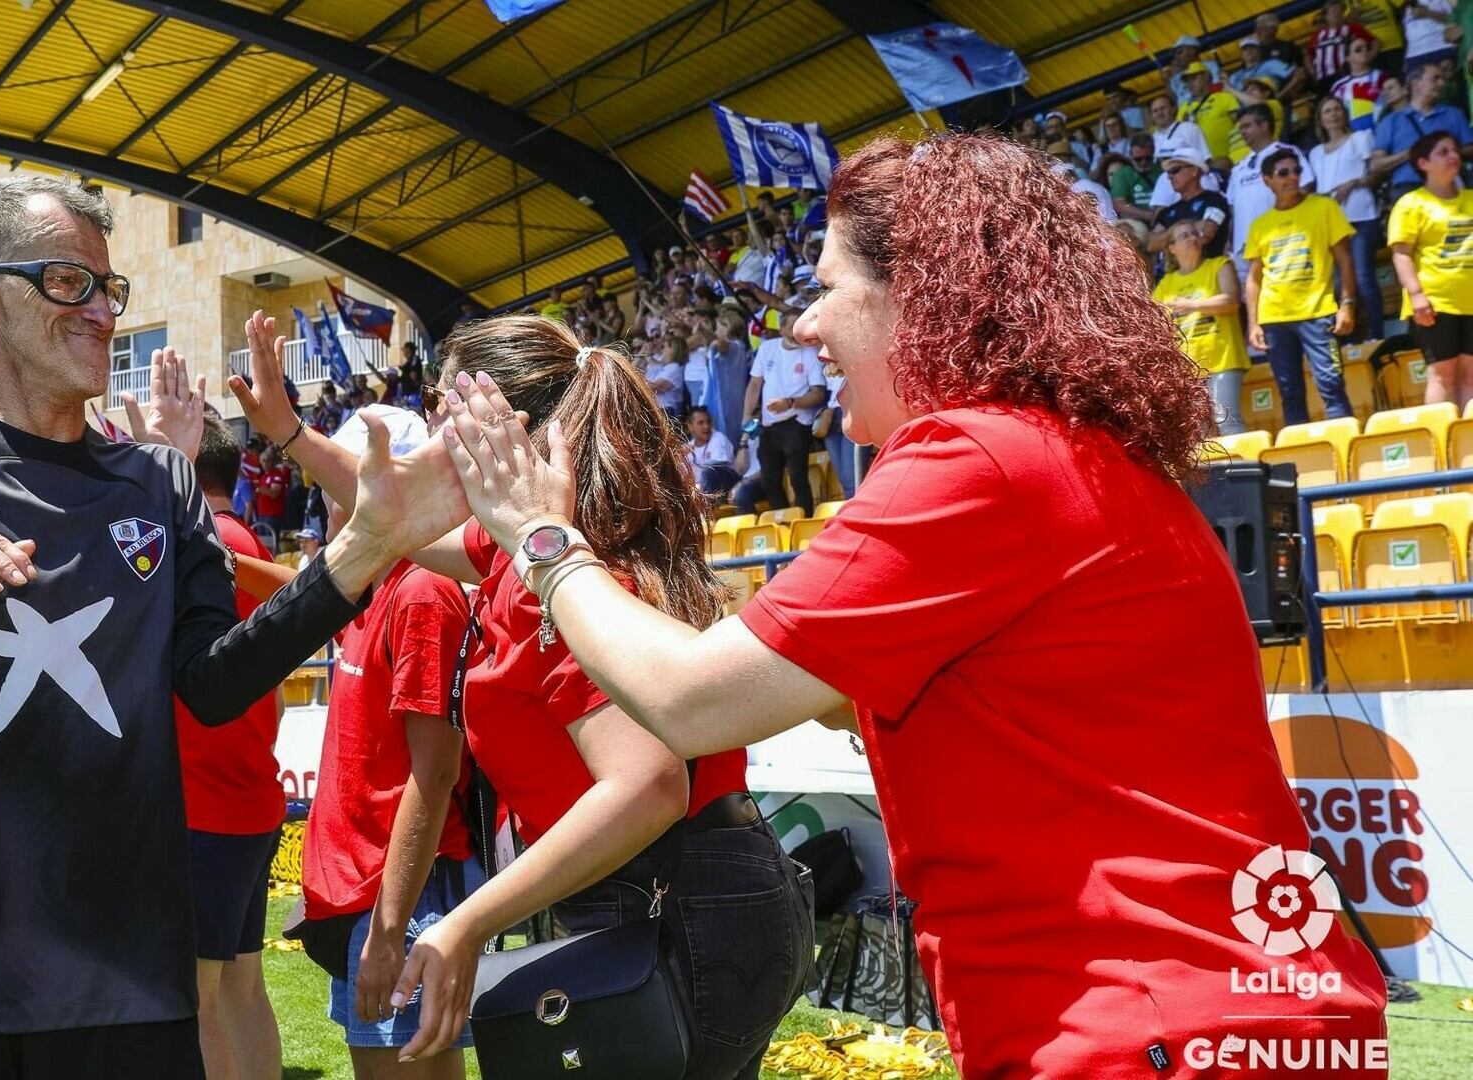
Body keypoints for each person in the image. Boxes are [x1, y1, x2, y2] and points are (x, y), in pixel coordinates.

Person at [436, 131, 1389, 1080]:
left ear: (921, 296)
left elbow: (692, 700)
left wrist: (544, 540)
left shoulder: (973, 459)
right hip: (1217, 1013)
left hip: (1148, 1025)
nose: (802, 328)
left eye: (827, 286)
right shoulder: (1080, 456)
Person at [0, 175, 460, 1077]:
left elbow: (213, 683)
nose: (101, 312)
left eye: (108, 287)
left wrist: (363, 548)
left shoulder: (155, 482)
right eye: (68, 282)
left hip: (127, 987)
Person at [232, 311, 814, 1078]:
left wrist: (467, 922)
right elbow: (398, 521)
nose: (433, 431)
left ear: (495, 426)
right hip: (697, 896)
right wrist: (292, 436)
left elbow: (648, 785)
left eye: (444, 409)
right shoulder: (538, 552)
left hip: (672, 904)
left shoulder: (552, 581)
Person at [299, 408, 476, 1080]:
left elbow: (433, 774)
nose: (329, 511)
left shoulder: (422, 593)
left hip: (395, 899)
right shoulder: (373, 587)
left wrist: (387, 928)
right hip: (372, 897)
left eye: (342, 492)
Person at [180, 413, 286, 1080]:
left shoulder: (202, 547)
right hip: (247, 795)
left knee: (199, 999)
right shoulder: (247, 542)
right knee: (243, 987)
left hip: (203, 802)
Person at [1244, 148, 1359, 425]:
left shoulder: (1324, 207)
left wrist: (1348, 304)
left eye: (1297, 171)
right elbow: (1254, 279)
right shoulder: (1260, 225)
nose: (1293, 177)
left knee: (1331, 385)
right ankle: (1304, 462)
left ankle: (1343, 450)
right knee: (1290, 393)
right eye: (1283, 173)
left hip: (1318, 313)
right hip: (1274, 319)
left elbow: (1345, 261)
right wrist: (1254, 323)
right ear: (1267, 180)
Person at [1388, 130, 1473, 406]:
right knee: (1441, 374)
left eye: (1455, 150)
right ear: (1423, 163)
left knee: (1471, 375)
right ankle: (1442, 444)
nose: (1453, 156)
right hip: (1435, 303)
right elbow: (1401, 254)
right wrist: (1416, 295)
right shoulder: (1411, 204)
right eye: (1443, 152)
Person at [1154, 220, 1251, 434]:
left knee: (1225, 419)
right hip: (1189, 368)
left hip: (1224, 359)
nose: (1192, 238)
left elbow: (1232, 301)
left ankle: (1245, 467)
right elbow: (1155, 323)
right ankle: (1213, 469)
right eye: (1184, 235)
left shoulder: (1219, 265)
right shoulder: (1166, 284)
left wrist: (1192, 305)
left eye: (1194, 233)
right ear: (1172, 248)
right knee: (1199, 429)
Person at [1310, 95, 1387, 339]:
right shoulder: (1315, 153)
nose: (1332, 114)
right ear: (1320, 120)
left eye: (1336, 110)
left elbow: (1375, 176)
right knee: (1340, 285)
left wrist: (1353, 183)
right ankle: (1351, 338)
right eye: (1327, 111)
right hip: (1331, 224)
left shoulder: (1360, 138)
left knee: (1363, 278)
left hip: (1362, 216)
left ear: (1344, 114)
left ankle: (1376, 334)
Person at [744, 304, 827, 516]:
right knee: (769, 481)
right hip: (769, 425)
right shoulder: (767, 348)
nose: (796, 331)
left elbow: (818, 394)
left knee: (798, 478)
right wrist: (747, 414)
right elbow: (754, 384)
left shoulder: (810, 353)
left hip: (796, 423)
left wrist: (789, 403)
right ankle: (782, 522)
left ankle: (804, 521)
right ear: (781, 329)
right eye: (791, 327)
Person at [1226, 105, 1311, 285]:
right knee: (1251, 299)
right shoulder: (1239, 167)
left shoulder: (1287, 153)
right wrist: (1230, 241)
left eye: (1247, 126)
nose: (1242, 132)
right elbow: (1232, 209)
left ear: (1264, 125)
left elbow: (1305, 188)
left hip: (1280, 238)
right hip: (1244, 247)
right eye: (1241, 128)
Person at [1371, 62, 1473, 203]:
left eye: (1442, 79)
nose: (1442, 83)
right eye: (1435, 79)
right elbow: (1376, 164)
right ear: (1416, 84)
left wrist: (1445, 152)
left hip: (1448, 186)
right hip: (1408, 190)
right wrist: (1412, 152)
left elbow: (1470, 150)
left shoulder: (1453, 114)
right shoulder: (1391, 121)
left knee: (1456, 225)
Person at [1146, 91, 1220, 209]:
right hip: (1164, 188)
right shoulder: (1150, 139)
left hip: (1192, 186)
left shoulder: (1189, 129)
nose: (1159, 113)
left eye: (1163, 108)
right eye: (1155, 111)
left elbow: (1206, 161)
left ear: (1173, 109)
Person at [1148, 154, 1231, 256]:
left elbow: (1205, 234)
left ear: (1194, 171)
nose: (1169, 177)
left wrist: (1167, 235)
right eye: (1168, 173)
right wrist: (1188, 228)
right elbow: (1151, 245)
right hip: (1175, 270)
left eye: (1175, 170)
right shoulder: (1167, 211)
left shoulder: (1215, 200)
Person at [1177, 63, 1242, 169]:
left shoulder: (1225, 97)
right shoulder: (1184, 107)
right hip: (1203, 166)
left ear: (1206, 76)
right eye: (1187, 81)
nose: (1189, 84)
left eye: (1193, 78)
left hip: (1232, 160)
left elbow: (1240, 123)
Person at [1310, 1, 1376, 91]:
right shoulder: (1318, 34)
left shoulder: (1352, 28)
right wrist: (1312, 72)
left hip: (1345, 74)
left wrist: (1366, 59)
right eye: (1333, 11)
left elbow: (1375, 42)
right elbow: (1309, 55)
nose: (1337, 14)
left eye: (1340, 11)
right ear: (1326, 16)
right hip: (1323, 78)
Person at [1331, 36, 1390, 131]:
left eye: (1367, 48)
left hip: (1384, 128)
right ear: (1348, 57)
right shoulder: (1338, 86)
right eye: (1358, 50)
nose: (1364, 51)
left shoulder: (1381, 77)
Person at [685, 406, 738, 497]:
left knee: (709, 471)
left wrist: (698, 487)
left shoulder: (719, 438)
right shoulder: (687, 448)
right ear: (690, 426)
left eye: (708, 422)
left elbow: (718, 468)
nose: (706, 426)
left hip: (723, 485)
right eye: (701, 423)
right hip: (697, 490)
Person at [1402, 0, 1459, 76]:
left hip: (1440, 47)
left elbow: (1454, 19)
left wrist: (1428, 13)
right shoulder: (1405, 4)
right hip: (1414, 54)